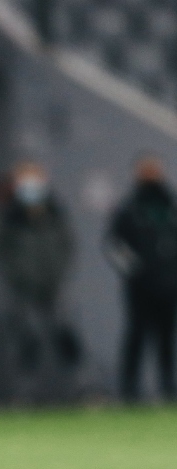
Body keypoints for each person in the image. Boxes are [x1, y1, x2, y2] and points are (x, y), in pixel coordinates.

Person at [0, 161, 80, 400]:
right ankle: (25, 392)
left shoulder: (55, 213)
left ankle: (81, 386)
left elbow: (67, 247)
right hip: (23, 288)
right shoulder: (10, 216)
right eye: (25, 181)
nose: (31, 186)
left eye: (35, 180)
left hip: (53, 285)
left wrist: (57, 275)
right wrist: (18, 276)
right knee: (26, 337)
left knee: (65, 333)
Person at [106, 155, 177, 401]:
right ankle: (129, 389)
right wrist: (135, 271)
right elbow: (114, 245)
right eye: (145, 170)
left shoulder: (170, 206)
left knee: (167, 338)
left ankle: (168, 387)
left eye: (154, 170)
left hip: (169, 286)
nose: (150, 175)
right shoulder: (129, 209)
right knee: (136, 336)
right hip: (140, 288)